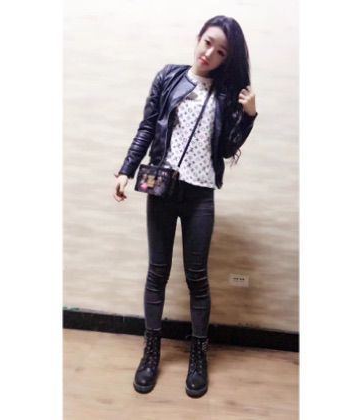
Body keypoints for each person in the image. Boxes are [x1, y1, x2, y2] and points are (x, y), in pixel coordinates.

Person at [113, 15, 258, 398]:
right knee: (157, 272)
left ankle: (198, 354)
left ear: (227, 59)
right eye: (208, 42)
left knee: (197, 278)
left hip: (200, 196)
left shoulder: (226, 95)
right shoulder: (168, 77)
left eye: (221, 51)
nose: (210, 53)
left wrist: (249, 116)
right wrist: (126, 170)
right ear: (198, 38)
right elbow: (148, 127)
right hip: (161, 188)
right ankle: (151, 351)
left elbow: (226, 148)